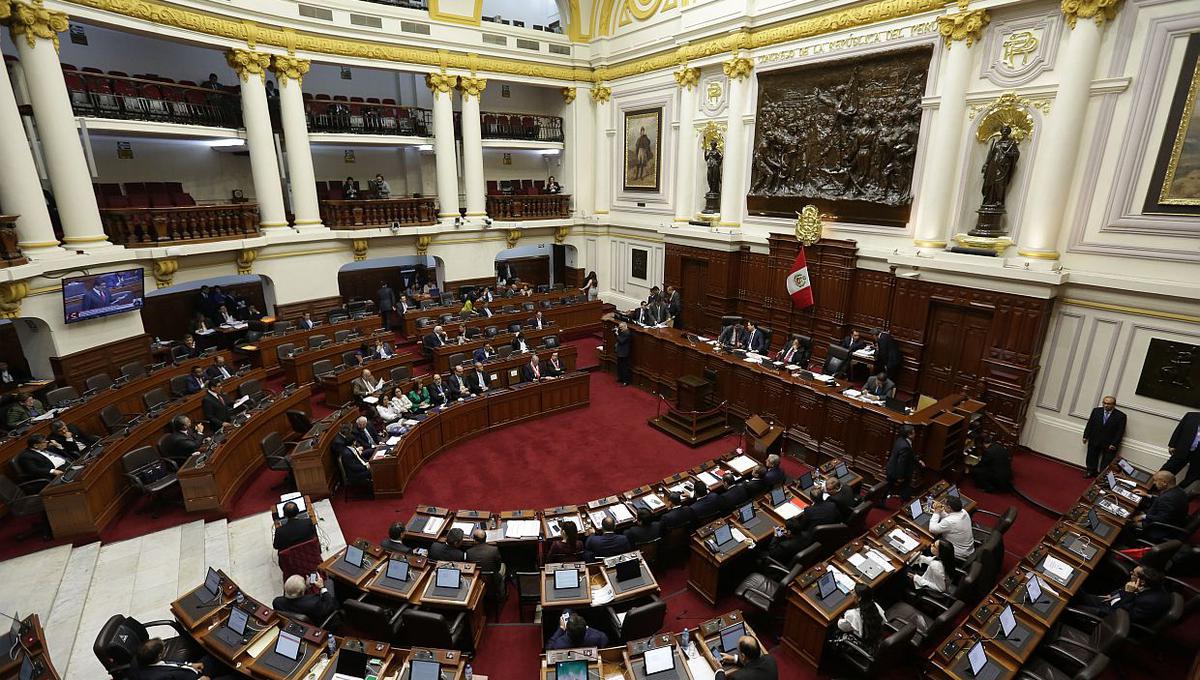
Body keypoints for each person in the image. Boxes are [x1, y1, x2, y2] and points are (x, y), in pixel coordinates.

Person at [1073, 566, 1171, 626]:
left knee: (1073, 607)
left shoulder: (1149, 602)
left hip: (1110, 615)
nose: (1130, 573)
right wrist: (1115, 595)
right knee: (1079, 595)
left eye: (1133, 574)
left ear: (1142, 581)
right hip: (1113, 601)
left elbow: (1121, 615)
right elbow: (1124, 589)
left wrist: (1128, 594)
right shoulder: (1146, 585)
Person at [131, 637, 226, 680]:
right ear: (159, 655)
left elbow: (168, 664)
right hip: (197, 678)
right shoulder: (159, 677)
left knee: (215, 655)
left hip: (191, 671)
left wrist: (189, 665)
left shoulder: (139, 659)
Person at [1132, 470, 1188, 541]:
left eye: (1155, 481)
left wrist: (1143, 516)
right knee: (1139, 509)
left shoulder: (1167, 498)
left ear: (1164, 483)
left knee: (1127, 523)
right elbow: (1162, 502)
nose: (1154, 483)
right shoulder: (1179, 491)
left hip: (1159, 528)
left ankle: (1130, 543)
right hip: (1172, 520)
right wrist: (1147, 495)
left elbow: (1163, 519)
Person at [833, 585, 885, 656]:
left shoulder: (852, 614)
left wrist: (841, 617)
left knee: (834, 633)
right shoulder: (876, 606)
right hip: (878, 640)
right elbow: (884, 621)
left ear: (859, 598)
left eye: (854, 592)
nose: (852, 592)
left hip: (865, 646)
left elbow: (841, 626)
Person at [1082, 395, 1126, 478]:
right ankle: (1090, 471)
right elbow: (1090, 424)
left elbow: (1120, 432)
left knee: (1107, 461)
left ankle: (1102, 476)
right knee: (1091, 456)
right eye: (1104, 403)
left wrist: (1114, 444)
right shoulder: (1096, 411)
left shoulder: (1121, 416)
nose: (1106, 405)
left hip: (1109, 443)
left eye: (1109, 404)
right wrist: (1085, 436)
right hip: (1095, 439)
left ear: (1114, 404)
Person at [1162, 411, 1200, 490]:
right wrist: (1172, 444)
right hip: (1183, 449)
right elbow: (1179, 429)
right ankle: (1150, 490)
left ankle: (1175, 496)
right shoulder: (1191, 415)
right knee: (1166, 470)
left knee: (1191, 478)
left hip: (1198, 456)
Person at [929, 495, 974, 559]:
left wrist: (936, 513)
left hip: (959, 553)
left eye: (944, 505)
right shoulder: (964, 512)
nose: (943, 506)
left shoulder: (949, 522)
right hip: (968, 549)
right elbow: (950, 516)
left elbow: (932, 529)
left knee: (930, 547)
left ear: (949, 508)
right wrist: (940, 511)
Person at [885, 425, 918, 501]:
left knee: (888, 487)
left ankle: (881, 500)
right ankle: (906, 505)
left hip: (891, 468)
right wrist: (900, 477)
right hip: (897, 472)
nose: (915, 434)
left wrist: (917, 460)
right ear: (909, 435)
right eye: (914, 433)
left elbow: (910, 454)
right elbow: (901, 463)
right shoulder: (905, 446)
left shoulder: (900, 440)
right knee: (904, 489)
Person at [615, 321, 632, 386]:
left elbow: (621, 341)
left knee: (624, 367)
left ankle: (625, 381)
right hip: (620, 352)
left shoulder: (627, 333)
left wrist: (617, 334)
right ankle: (620, 378)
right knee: (619, 366)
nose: (620, 329)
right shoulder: (623, 332)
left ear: (625, 326)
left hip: (624, 353)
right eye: (619, 327)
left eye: (621, 327)